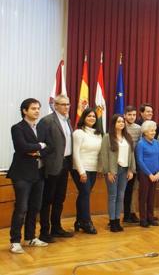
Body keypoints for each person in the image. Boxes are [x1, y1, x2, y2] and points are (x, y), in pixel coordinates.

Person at [8, 98, 49, 253]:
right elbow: (22, 147)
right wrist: (39, 146)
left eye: (38, 108)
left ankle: (30, 237)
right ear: (25, 111)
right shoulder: (17, 128)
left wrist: (36, 149)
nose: (37, 111)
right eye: (33, 108)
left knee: (35, 207)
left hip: (38, 172)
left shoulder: (41, 128)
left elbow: (48, 147)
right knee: (21, 207)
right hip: (22, 174)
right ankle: (15, 241)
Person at [38, 94, 75, 242]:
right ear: (55, 105)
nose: (66, 107)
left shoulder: (68, 121)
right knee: (48, 199)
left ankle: (56, 228)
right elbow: (40, 144)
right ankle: (44, 232)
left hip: (65, 164)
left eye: (68, 104)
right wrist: (46, 162)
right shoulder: (46, 121)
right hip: (51, 166)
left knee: (60, 198)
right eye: (63, 104)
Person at [99, 114, 135, 232]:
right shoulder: (107, 137)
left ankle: (117, 220)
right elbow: (104, 155)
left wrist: (131, 170)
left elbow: (131, 155)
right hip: (113, 170)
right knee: (113, 196)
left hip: (125, 170)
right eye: (118, 121)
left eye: (122, 122)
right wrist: (108, 171)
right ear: (113, 124)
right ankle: (112, 221)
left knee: (121, 196)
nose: (121, 123)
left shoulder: (127, 137)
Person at [70, 107, 103, 234]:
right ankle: (87, 222)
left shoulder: (98, 133)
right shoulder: (78, 133)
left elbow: (99, 153)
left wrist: (100, 168)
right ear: (84, 117)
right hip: (80, 168)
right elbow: (76, 153)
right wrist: (81, 171)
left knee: (84, 194)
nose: (92, 118)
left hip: (93, 169)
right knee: (85, 194)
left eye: (94, 116)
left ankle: (79, 221)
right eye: (89, 116)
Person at [136, 120, 159, 227]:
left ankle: (150, 218)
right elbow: (140, 161)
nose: (154, 132)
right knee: (143, 197)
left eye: (154, 130)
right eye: (151, 130)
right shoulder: (141, 144)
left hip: (156, 174)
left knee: (151, 197)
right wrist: (149, 174)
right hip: (144, 175)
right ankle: (143, 219)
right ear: (145, 132)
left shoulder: (156, 143)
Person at [122, 105, 142, 224]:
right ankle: (116, 216)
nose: (132, 117)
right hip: (122, 162)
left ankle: (128, 214)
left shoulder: (139, 129)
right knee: (121, 191)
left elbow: (139, 146)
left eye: (134, 115)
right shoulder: (120, 125)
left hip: (134, 163)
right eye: (129, 114)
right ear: (124, 115)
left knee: (131, 189)